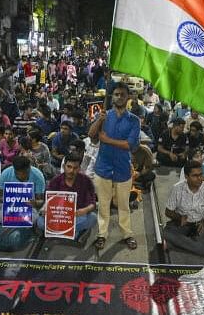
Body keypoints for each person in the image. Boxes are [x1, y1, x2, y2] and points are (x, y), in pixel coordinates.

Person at [89, 82, 140, 250]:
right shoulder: (104, 115)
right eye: (116, 94)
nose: (119, 97)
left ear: (128, 98)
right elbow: (91, 136)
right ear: (112, 97)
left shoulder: (134, 121)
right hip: (103, 167)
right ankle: (102, 234)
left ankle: (127, 233)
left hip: (123, 169)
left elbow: (129, 145)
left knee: (123, 205)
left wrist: (108, 140)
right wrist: (99, 121)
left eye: (122, 95)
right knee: (103, 204)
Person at [163, 160, 204, 262]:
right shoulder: (177, 188)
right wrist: (179, 217)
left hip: (200, 225)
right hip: (181, 225)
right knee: (166, 233)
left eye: (200, 175)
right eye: (195, 176)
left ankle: (179, 244)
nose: (199, 178)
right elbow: (168, 212)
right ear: (186, 176)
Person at [36, 153, 97, 240]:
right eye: (69, 167)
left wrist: (84, 210)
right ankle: (70, 232)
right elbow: (48, 201)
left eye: (75, 168)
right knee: (40, 222)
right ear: (64, 166)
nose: (71, 170)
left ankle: (58, 232)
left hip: (77, 216)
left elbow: (92, 204)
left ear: (79, 168)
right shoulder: (55, 181)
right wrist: (44, 209)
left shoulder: (86, 181)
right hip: (58, 216)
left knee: (93, 218)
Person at [0, 155, 46, 224]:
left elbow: (41, 201)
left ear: (29, 168)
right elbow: (0, 197)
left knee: (36, 218)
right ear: (13, 169)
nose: (21, 176)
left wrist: (35, 203)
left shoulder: (38, 176)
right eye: (18, 174)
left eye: (25, 173)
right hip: (10, 207)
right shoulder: (5, 174)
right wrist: (10, 199)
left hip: (30, 209)